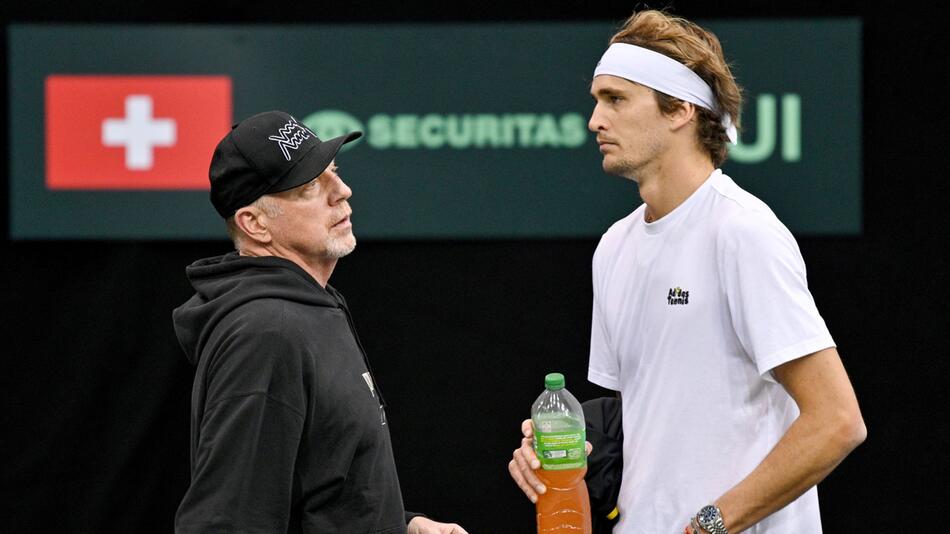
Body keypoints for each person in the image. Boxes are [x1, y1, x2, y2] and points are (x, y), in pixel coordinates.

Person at [509, 10, 866, 533]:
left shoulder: (742, 232)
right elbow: (648, 418)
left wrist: (710, 524)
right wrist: (565, 451)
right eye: (596, 101)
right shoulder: (613, 248)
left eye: (615, 99)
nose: (594, 121)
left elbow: (837, 422)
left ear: (679, 109)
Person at [173, 110, 467, 534]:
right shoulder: (267, 333)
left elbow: (323, 482)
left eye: (335, 172)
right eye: (311, 186)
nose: (343, 191)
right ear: (254, 224)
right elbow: (226, 521)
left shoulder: (311, 306)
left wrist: (399, 526)